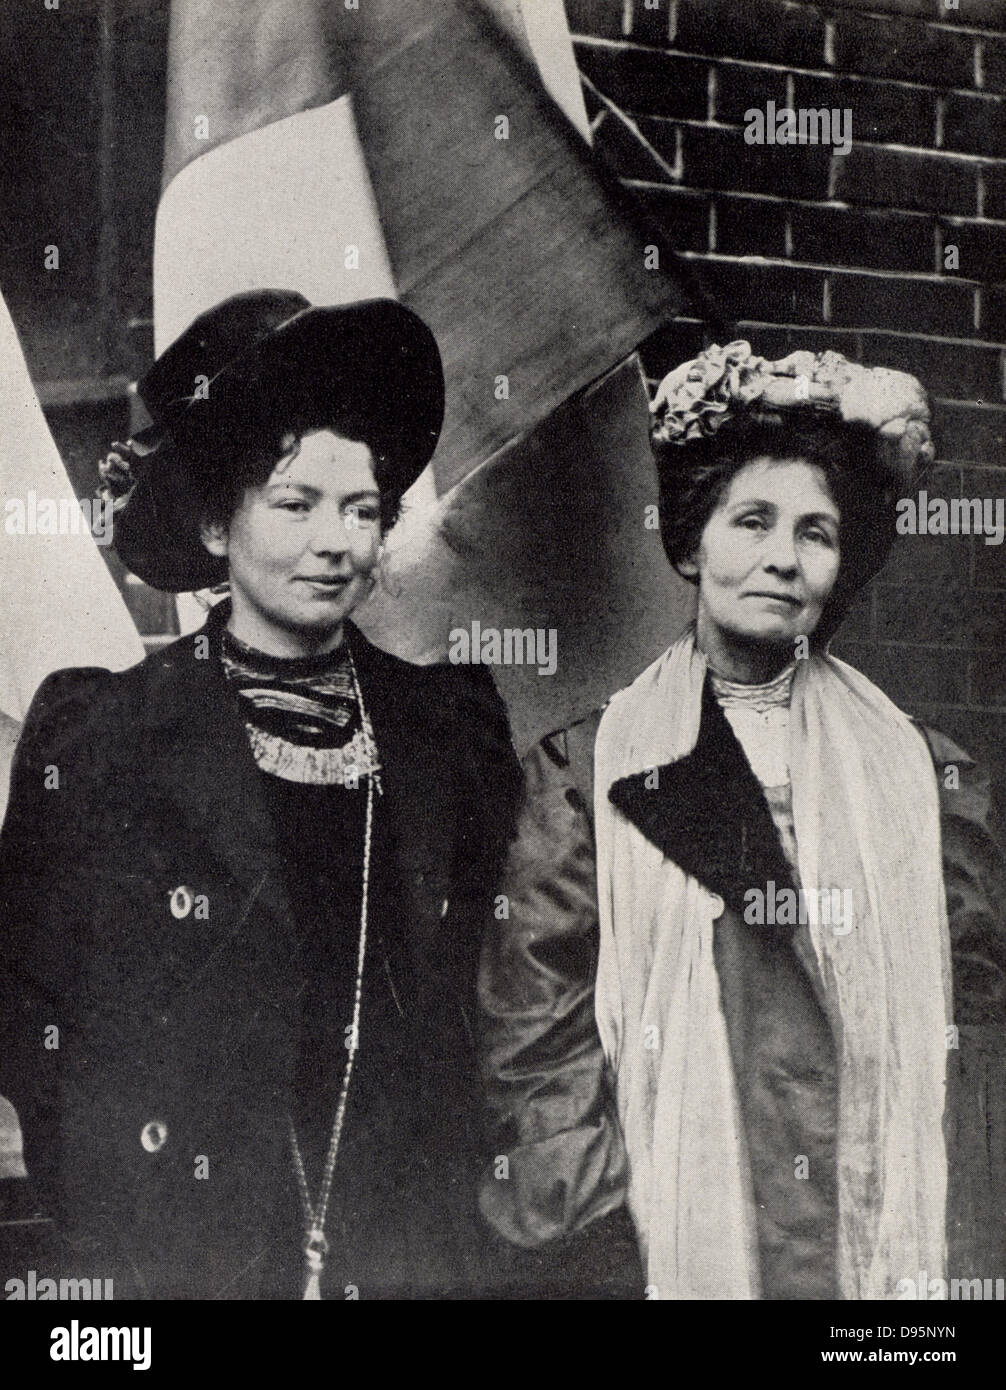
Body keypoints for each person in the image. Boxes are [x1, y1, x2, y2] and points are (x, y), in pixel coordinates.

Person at [0, 289, 520, 1300]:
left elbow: (479, 984)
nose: (337, 540)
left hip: (401, 1238)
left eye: (362, 508)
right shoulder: (104, 735)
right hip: (185, 1245)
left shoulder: (444, 730)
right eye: (296, 503)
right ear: (212, 519)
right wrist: (118, 1203)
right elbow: (30, 1001)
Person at [478, 341, 1006, 1300]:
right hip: (678, 1229)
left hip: (869, 1226)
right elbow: (535, 1029)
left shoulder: (925, 776)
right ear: (690, 543)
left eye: (816, 533)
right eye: (751, 521)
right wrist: (625, 1216)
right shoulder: (591, 769)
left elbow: (970, 1032)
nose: (781, 558)